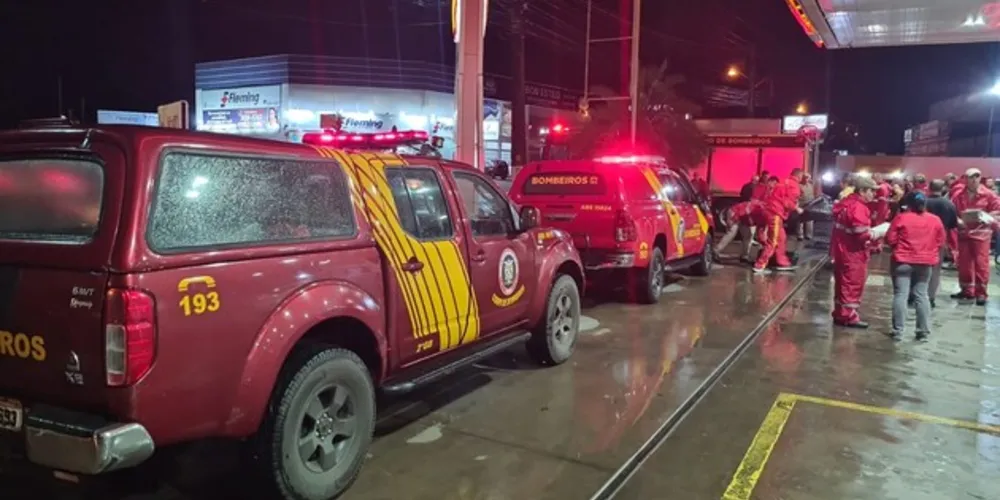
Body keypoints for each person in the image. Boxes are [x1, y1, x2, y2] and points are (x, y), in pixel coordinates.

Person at [885, 192, 945, 342]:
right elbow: (940, 240)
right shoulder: (935, 220)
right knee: (922, 295)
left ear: (909, 204)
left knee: (901, 295)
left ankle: (898, 330)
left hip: (902, 262)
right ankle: (922, 331)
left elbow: (890, 239)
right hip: (925, 263)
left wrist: (897, 247)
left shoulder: (901, 218)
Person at [831, 176, 881, 328]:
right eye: (871, 191)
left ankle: (841, 313)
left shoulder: (845, 203)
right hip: (853, 253)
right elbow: (860, 234)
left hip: (841, 250)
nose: (874, 194)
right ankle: (848, 316)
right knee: (852, 283)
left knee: (842, 283)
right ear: (862, 191)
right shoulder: (859, 208)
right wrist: (876, 234)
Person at [950, 167, 1000, 305]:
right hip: (964, 233)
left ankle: (981, 294)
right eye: (971, 177)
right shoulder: (958, 195)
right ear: (965, 179)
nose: (974, 179)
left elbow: (997, 211)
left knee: (981, 264)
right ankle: (967, 291)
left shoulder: (989, 195)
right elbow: (952, 211)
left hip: (981, 235)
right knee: (964, 264)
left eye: (976, 177)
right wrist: (957, 220)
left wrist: (986, 216)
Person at [753, 175, 801, 273]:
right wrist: (796, 208)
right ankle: (760, 265)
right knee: (773, 242)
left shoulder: (782, 184)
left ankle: (782, 261)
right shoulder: (792, 187)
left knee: (781, 237)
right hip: (775, 214)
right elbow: (787, 202)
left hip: (771, 212)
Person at [925, 179, 959, 308]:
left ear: (929, 187)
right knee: (935, 269)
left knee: (919, 266)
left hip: (922, 238)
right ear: (943, 188)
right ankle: (931, 297)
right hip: (939, 239)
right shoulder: (948, 204)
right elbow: (953, 225)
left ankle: (916, 294)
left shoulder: (923, 202)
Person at [713, 199, 763, 264]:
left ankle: (744, 256)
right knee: (732, 232)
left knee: (748, 235)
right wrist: (734, 219)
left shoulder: (761, 208)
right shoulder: (758, 208)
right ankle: (715, 251)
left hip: (742, 216)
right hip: (735, 213)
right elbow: (744, 212)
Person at [798, 173, 816, 240]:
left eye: (807, 177)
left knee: (809, 220)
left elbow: (812, 194)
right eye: (805, 177)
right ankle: (800, 235)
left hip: (809, 205)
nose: (806, 179)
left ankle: (809, 235)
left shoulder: (811, 186)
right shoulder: (799, 185)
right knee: (801, 221)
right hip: (801, 205)